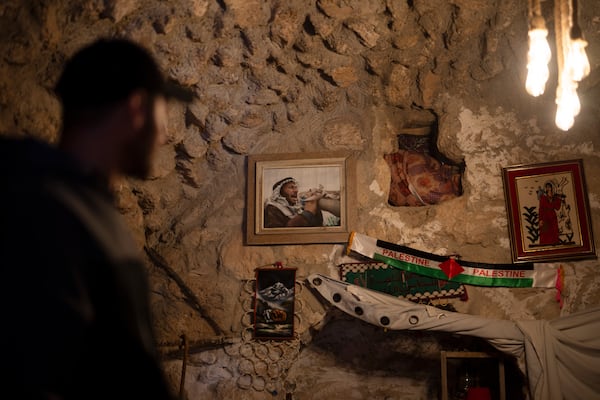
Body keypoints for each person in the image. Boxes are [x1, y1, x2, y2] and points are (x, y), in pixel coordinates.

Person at [0, 38, 193, 399]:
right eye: (163, 113)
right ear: (137, 108)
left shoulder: (77, 206)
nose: (165, 135)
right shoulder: (48, 213)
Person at [264, 177, 341, 228]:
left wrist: (315, 210)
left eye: (295, 187)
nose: (296, 190)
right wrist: (307, 213)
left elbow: (316, 226)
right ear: (279, 192)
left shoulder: (297, 208)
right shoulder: (272, 209)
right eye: (291, 187)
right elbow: (280, 235)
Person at [538, 181, 563, 245]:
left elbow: (557, 207)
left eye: (549, 187)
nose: (548, 188)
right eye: (546, 187)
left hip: (552, 217)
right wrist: (540, 219)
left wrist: (559, 199)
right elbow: (541, 209)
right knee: (545, 232)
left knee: (554, 231)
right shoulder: (543, 198)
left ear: (552, 188)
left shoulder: (555, 197)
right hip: (545, 217)